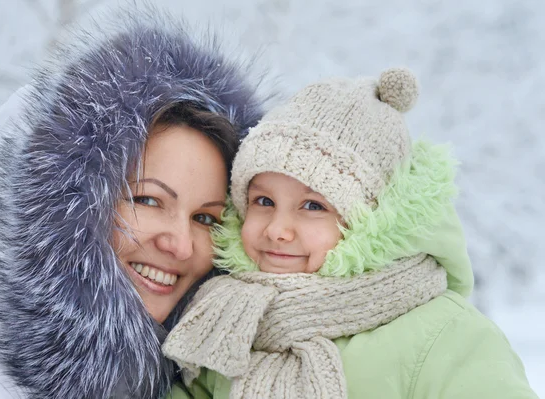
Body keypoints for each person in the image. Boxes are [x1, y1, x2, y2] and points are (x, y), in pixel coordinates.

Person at [0, 6, 267, 399]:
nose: (181, 245)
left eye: (205, 218)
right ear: (62, 213)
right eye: (148, 199)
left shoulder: (208, 385)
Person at [162, 68, 538, 398]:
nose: (277, 230)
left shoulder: (445, 335)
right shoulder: (223, 319)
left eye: (313, 206)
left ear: (370, 220)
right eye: (263, 201)